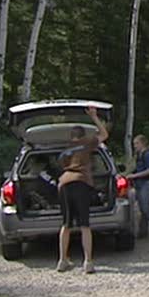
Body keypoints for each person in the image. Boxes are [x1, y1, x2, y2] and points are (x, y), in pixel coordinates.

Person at [56, 106, 109, 274]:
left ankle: (62, 261)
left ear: (71, 136)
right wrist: (94, 116)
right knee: (85, 225)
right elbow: (104, 134)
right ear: (83, 135)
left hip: (64, 183)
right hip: (81, 182)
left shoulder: (65, 149)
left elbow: (62, 166)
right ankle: (88, 262)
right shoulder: (87, 143)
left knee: (66, 224)